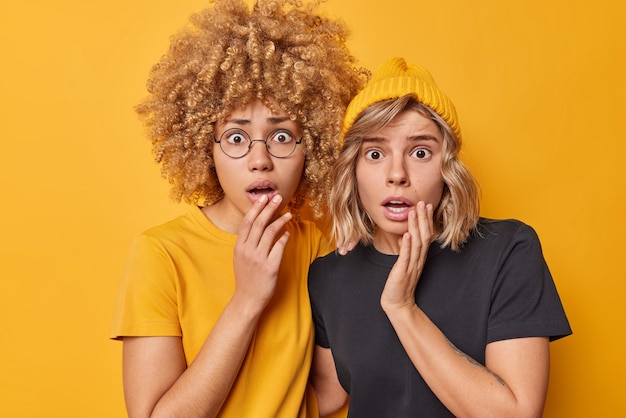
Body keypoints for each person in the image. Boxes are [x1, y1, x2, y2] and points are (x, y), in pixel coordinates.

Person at [109, 1, 368, 416]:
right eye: (235, 138)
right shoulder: (160, 254)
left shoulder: (314, 246)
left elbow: (329, 394)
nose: (260, 160)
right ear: (202, 146)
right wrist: (247, 299)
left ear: (314, 147)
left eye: (282, 136)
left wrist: (361, 280)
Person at [308, 57, 572, 417]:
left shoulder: (507, 250)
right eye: (374, 153)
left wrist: (403, 309)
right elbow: (327, 397)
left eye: (420, 152)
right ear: (352, 171)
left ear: (447, 170)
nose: (397, 174)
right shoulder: (327, 275)